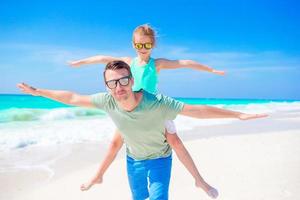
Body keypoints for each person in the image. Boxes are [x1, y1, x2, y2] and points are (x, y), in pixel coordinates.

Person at [17, 60, 267, 200]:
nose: (119, 87)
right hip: (133, 160)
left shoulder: (156, 102)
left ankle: (199, 181)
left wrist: (239, 115)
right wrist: (39, 92)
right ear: (106, 86)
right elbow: (71, 97)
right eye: (112, 83)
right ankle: (98, 176)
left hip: (160, 159)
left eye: (123, 80)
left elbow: (197, 110)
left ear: (132, 80)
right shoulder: (107, 101)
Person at [69, 24, 225, 198]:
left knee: (175, 142)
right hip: (129, 110)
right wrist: (80, 62)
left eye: (147, 45)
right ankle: (98, 176)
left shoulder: (157, 64)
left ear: (153, 45)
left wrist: (211, 69)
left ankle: (199, 181)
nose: (142, 49)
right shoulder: (129, 62)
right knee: (114, 144)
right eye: (139, 45)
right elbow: (102, 58)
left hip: (155, 110)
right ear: (133, 44)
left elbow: (185, 63)